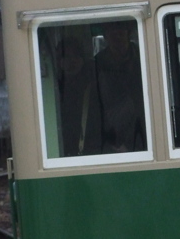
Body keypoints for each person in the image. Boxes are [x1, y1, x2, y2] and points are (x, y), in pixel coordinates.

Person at [94, 21, 147, 152]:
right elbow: (95, 106)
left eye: (121, 31)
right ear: (105, 36)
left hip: (144, 124)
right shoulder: (97, 64)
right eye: (112, 32)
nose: (117, 36)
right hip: (110, 132)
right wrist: (112, 140)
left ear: (129, 34)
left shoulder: (145, 57)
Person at [55, 35, 101, 156]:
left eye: (75, 55)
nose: (71, 61)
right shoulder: (54, 89)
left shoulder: (96, 85)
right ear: (59, 62)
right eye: (66, 57)